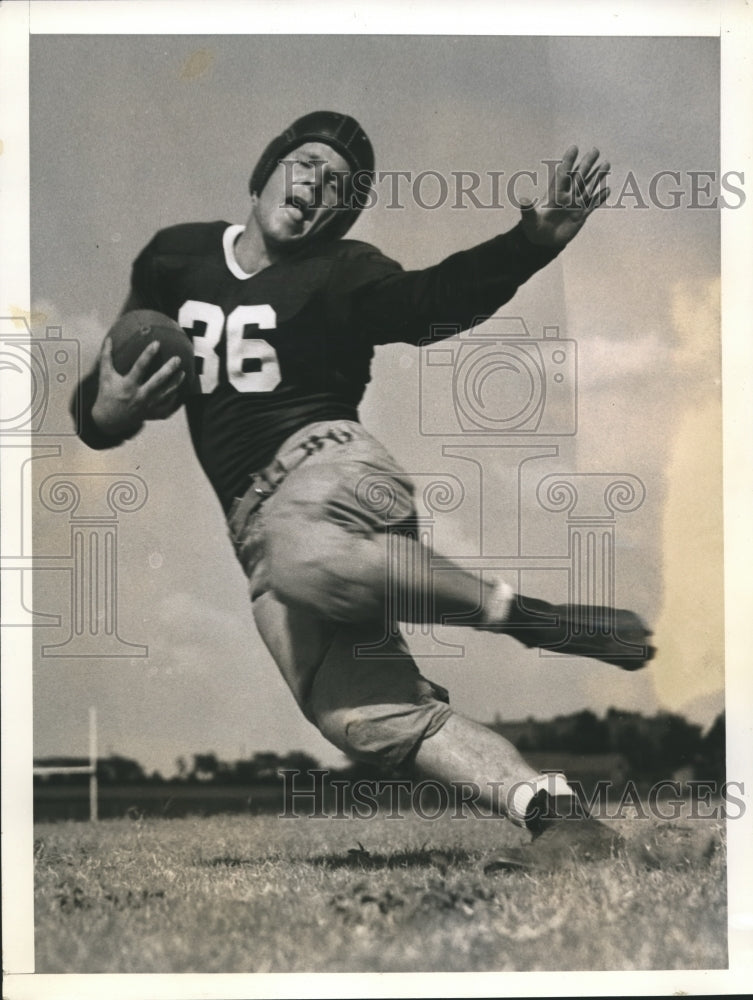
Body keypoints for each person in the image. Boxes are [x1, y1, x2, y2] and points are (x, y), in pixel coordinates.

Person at [74, 111, 694, 871]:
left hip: (334, 471)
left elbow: (430, 300)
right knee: (362, 715)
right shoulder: (175, 259)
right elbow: (98, 407)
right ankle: (557, 818)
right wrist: (108, 408)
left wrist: (528, 243)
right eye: (305, 163)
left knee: (302, 551)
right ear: (265, 170)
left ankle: (527, 617)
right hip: (255, 529)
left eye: (339, 187)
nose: (315, 186)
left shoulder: (341, 271)